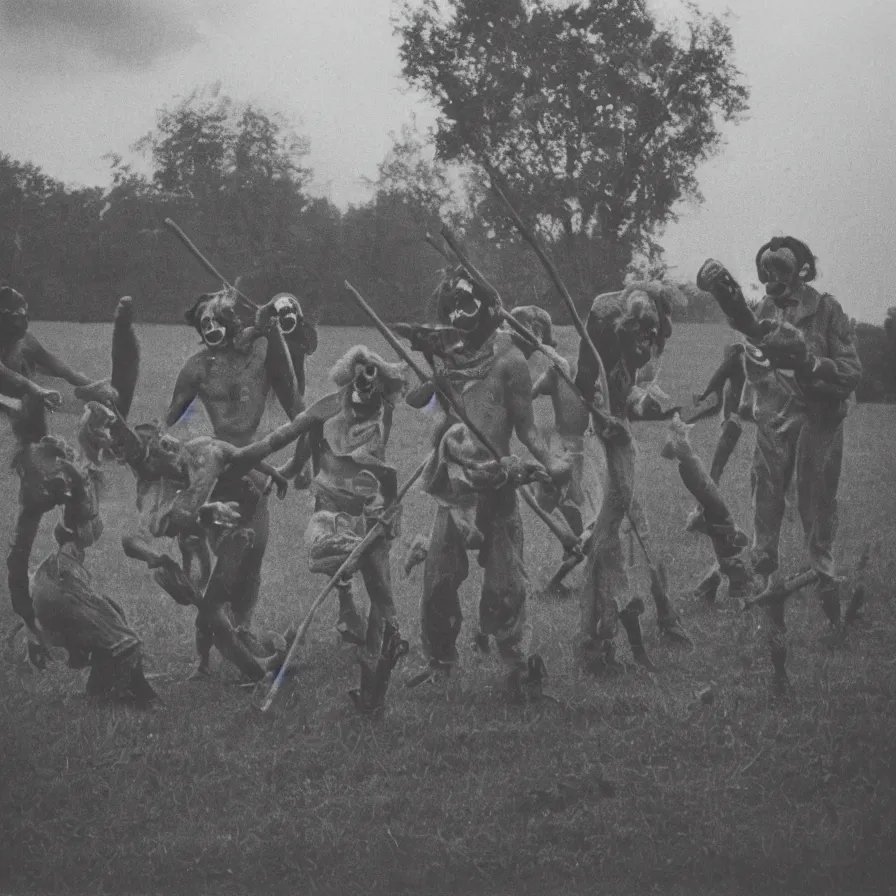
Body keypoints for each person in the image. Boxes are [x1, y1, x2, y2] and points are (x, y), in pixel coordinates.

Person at [399, 267, 570, 695]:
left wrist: (551, 460)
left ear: (489, 310)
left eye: (468, 304)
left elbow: (527, 428)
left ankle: (516, 664)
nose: (459, 313)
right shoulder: (443, 361)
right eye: (452, 306)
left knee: (507, 583)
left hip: (499, 489)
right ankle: (439, 660)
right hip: (456, 491)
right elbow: (423, 405)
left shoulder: (510, 363)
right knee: (438, 580)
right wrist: (438, 411)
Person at [697, 237, 862, 653]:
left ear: (801, 271)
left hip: (819, 424)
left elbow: (851, 371)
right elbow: (755, 358)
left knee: (816, 515)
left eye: (782, 273)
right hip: (774, 423)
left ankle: (834, 617)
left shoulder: (827, 310)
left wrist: (808, 362)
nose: (773, 282)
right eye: (766, 274)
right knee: (765, 514)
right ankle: (770, 610)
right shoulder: (765, 310)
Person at [277, 344, 410, 712]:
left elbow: (416, 393)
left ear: (382, 382)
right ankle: (347, 607)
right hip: (331, 506)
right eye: (360, 369)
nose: (365, 378)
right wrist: (288, 470)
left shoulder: (384, 411)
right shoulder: (329, 408)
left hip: (373, 511)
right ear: (348, 373)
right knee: (337, 566)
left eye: (373, 372)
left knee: (382, 591)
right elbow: (301, 438)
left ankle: (377, 664)